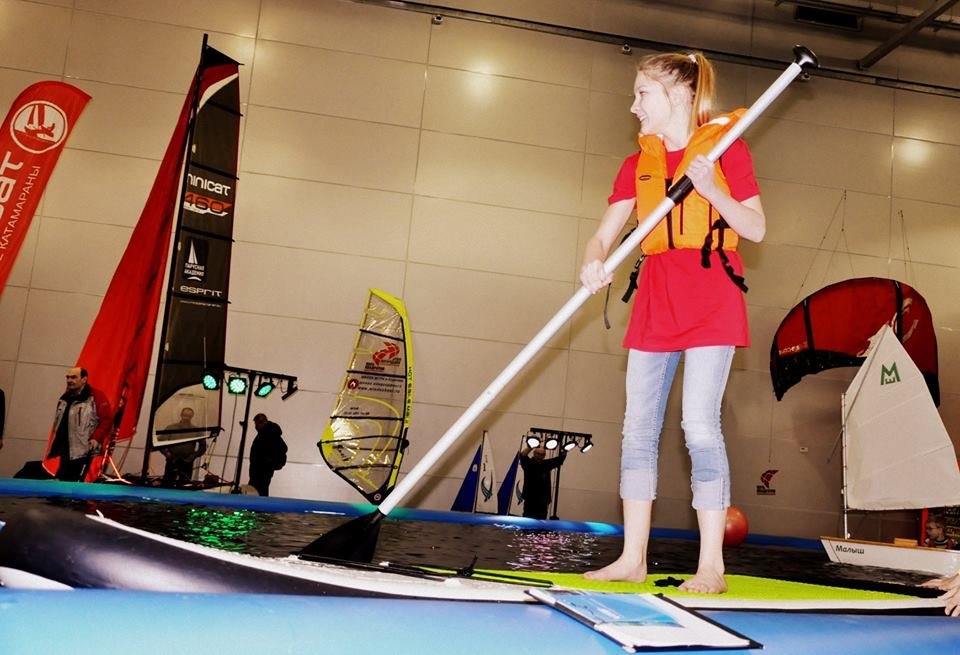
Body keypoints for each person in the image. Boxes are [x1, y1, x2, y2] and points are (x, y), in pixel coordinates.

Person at [579, 51, 766, 595]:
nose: (633, 105)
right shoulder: (635, 164)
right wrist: (593, 262)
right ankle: (632, 558)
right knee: (638, 428)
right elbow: (602, 236)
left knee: (699, 426)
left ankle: (711, 567)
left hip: (711, 299)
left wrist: (712, 190)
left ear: (679, 94)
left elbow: (755, 228)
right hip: (656, 300)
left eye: (642, 93)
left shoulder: (727, 150)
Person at [44, 367, 113, 481]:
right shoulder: (64, 398)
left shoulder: (96, 397)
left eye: (73, 377)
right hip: (65, 448)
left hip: (84, 449)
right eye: (68, 377)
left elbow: (106, 421)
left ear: (84, 379)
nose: (69, 380)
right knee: (60, 480)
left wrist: (96, 438)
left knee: (75, 481)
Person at [159, 407, 207, 487]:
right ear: (181, 415)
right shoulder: (171, 428)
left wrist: (193, 456)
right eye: (185, 415)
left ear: (192, 417)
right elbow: (160, 442)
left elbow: (203, 446)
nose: (187, 418)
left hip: (187, 461)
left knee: (185, 485)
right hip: (172, 460)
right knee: (167, 484)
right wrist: (167, 453)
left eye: (189, 416)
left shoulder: (196, 430)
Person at [518, 444, 566, 519]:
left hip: (543, 500)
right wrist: (532, 445)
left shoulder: (546, 464)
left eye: (542, 454)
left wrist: (565, 450)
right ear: (534, 453)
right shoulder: (528, 463)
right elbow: (522, 455)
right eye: (538, 454)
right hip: (530, 499)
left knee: (541, 521)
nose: (540, 456)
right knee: (528, 520)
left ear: (544, 455)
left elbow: (560, 459)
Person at [248, 413, 287, 496]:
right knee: (260, 492)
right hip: (262, 470)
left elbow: (260, 453)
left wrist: (267, 461)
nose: (255, 426)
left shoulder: (267, 434)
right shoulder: (270, 432)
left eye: (256, 424)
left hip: (261, 471)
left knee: (256, 492)